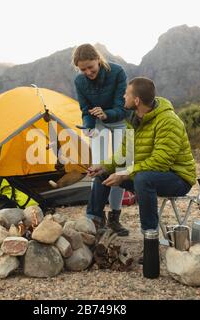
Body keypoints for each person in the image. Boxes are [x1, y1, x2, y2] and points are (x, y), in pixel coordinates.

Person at [86, 77, 197, 236]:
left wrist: (125, 174)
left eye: (126, 94)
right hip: (145, 172)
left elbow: (160, 162)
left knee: (143, 179)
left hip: (178, 177)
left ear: (136, 100)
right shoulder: (133, 119)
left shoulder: (168, 121)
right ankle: (92, 224)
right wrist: (103, 166)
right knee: (103, 174)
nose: (123, 97)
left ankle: (150, 234)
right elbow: (124, 154)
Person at [72, 43, 129, 236]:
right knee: (99, 168)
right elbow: (84, 109)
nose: (88, 72)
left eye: (91, 67)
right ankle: (97, 216)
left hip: (119, 120)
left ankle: (115, 217)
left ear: (98, 60)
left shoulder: (118, 72)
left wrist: (106, 114)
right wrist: (88, 125)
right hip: (98, 124)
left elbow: (122, 107)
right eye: (83, 69)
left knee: (120, 166)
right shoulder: (79, 82)